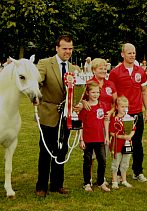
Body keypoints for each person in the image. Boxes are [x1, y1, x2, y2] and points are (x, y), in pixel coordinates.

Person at [35, 34, 77, 197]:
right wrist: (35, 96)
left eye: (70, 48)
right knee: (46, 151)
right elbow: (38, 82)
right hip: (48, 114)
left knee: (62, 149)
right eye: (65, 48)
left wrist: (78, 103)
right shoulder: (45, 63)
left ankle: (57, 184)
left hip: (66, 116)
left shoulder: (73, 69)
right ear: (57, 48)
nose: (68, 51)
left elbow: (76, 93)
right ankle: (41, 186)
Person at [108, 43, 147, 183]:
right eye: (129, 53)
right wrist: (114, 111)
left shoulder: (141, 71)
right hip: (121, 115)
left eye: (134, 53)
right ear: (122, 54)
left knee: (137, 143)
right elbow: (112, 94)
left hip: (137, 113)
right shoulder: (115, 72)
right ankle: (119, 174)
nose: (132, 55)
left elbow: (144, 92)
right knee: (120, 143)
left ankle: (138, 172)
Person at [81, 58, 117, 184]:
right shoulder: (88, 83)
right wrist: (84, 102)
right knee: (90, 154)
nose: (103, 70)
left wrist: (111, 112)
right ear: (94, 70)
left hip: (106, 121)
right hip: (91, 122)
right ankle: (89, 178)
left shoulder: (110, 84)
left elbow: (115, 102)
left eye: (104, 68)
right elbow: (80, 99)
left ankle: (101, 178)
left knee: (103, 151)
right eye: (100, 68)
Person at [78, 80, 110, 192]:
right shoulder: (85, 108)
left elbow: (106, 120)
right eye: (93, 92)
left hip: (100, 138)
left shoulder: (103, 106)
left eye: (97, 92)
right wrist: (81, 139)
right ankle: (87, 183)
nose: (95, 94)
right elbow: (80, 124)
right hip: (87, 139)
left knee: (102, 160)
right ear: (88, 93)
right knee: (87, 161)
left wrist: (106, 135)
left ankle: (101, 182)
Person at [109, 96, 136, 189]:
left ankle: (124, 180)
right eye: (122, 107)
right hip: (117, 145)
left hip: (127, 144)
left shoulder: (129, 118)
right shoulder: (114, 119)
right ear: (117, 107)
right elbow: (111, 132)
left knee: (125, 163)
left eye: (126, 107)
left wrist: (130, 136)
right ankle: (114, 180)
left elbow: (133, 129)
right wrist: (122, 136)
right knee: (116, 163)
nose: (125, 109)